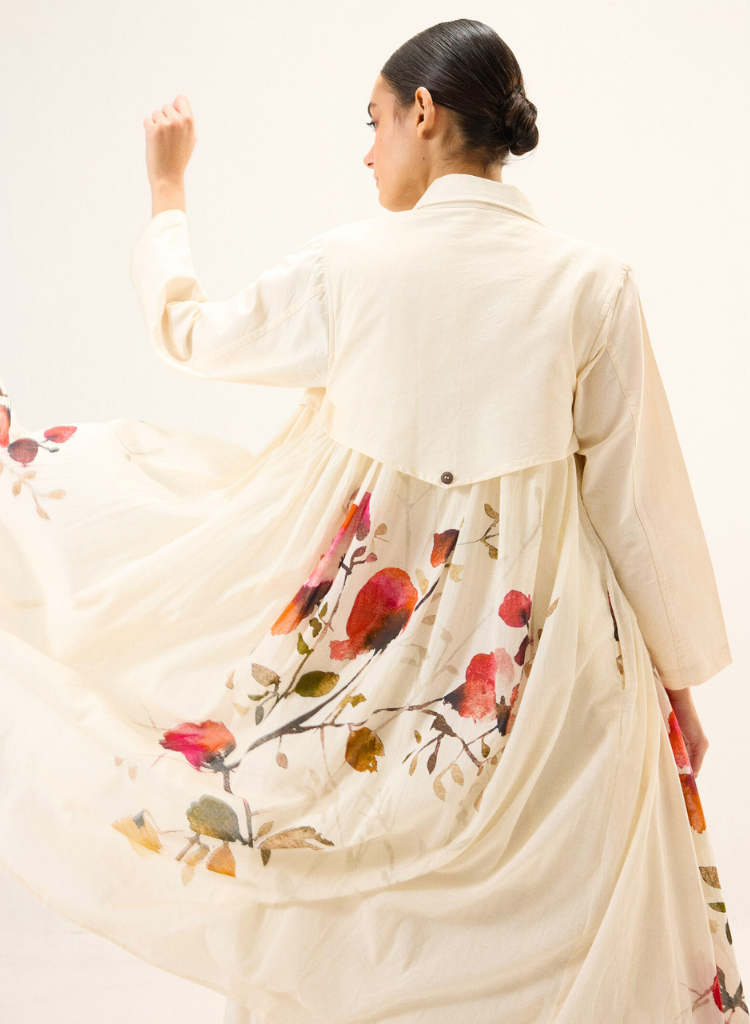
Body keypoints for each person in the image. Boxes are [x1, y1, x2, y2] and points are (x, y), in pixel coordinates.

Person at [0, 18, 745, 1024]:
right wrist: (675, 680)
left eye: (375, 121)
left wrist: (167, 193)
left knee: (352, 890)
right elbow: (638, 507)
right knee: (557, 921)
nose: (367, 152)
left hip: (370, 666)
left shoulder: (352, 267)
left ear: (423, 114)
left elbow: (192, 333)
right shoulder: (590, 284)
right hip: (547, 675)